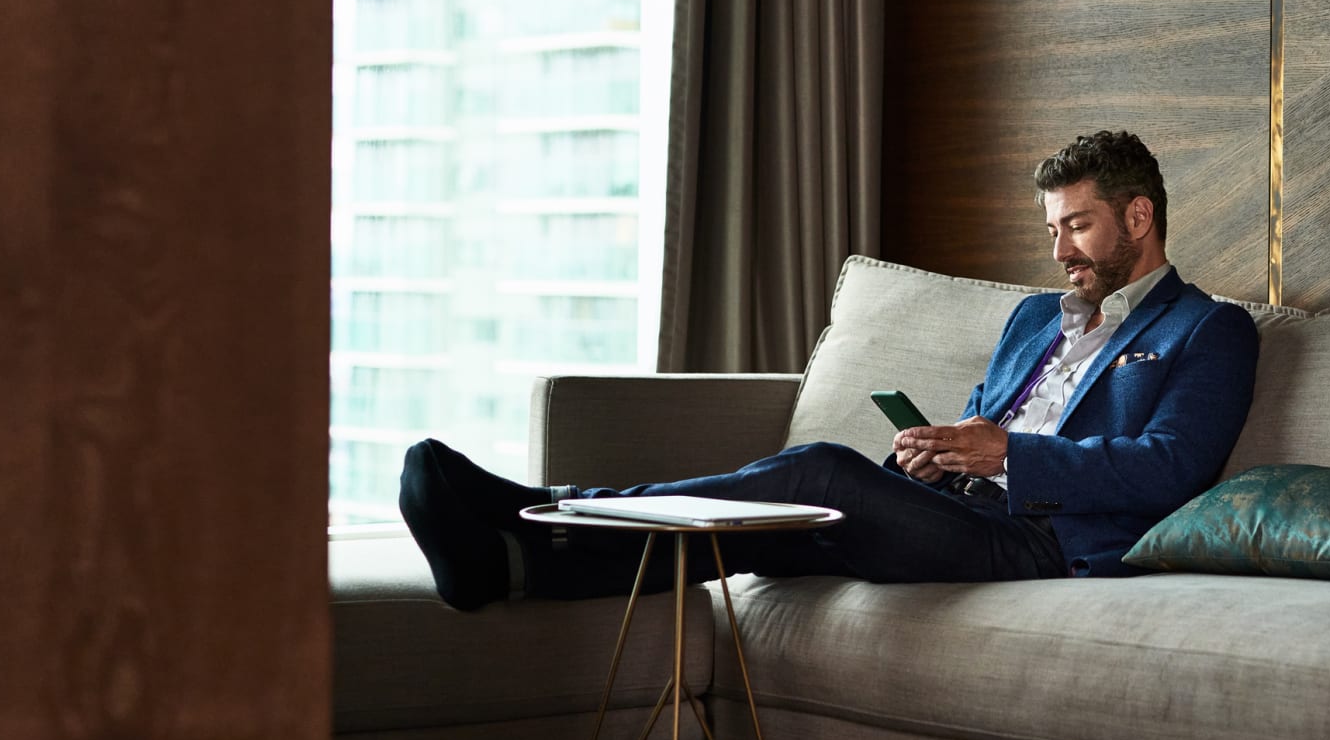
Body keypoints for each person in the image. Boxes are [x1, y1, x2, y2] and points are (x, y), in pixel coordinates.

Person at [401, 131, 1259, 610]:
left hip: (1042, 542)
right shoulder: (1035, 315)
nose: (1058, 248)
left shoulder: (1207, 329)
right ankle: (518, 559)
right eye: (1051, 229)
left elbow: (1170, 469)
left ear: (1138, 216)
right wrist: (934, 451)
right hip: (950, 508)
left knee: (817, 472)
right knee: (786, 519)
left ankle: (548, 508)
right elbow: (980, 417)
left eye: (1075, 225)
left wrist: (1004, 456)